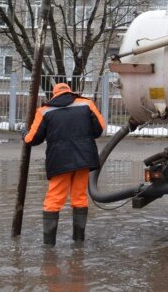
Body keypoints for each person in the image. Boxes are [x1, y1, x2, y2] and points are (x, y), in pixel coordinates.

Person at [23, 82, 106, 246]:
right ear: (70, 92)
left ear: (54, 94)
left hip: (59, 160)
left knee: (54, 199)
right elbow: (99, 129)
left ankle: (48, 245)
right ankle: (79, 241)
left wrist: (24, 135)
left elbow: (33, 139)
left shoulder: (44, 111)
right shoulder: (86, 103)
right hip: (84, 158)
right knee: (80, 197)